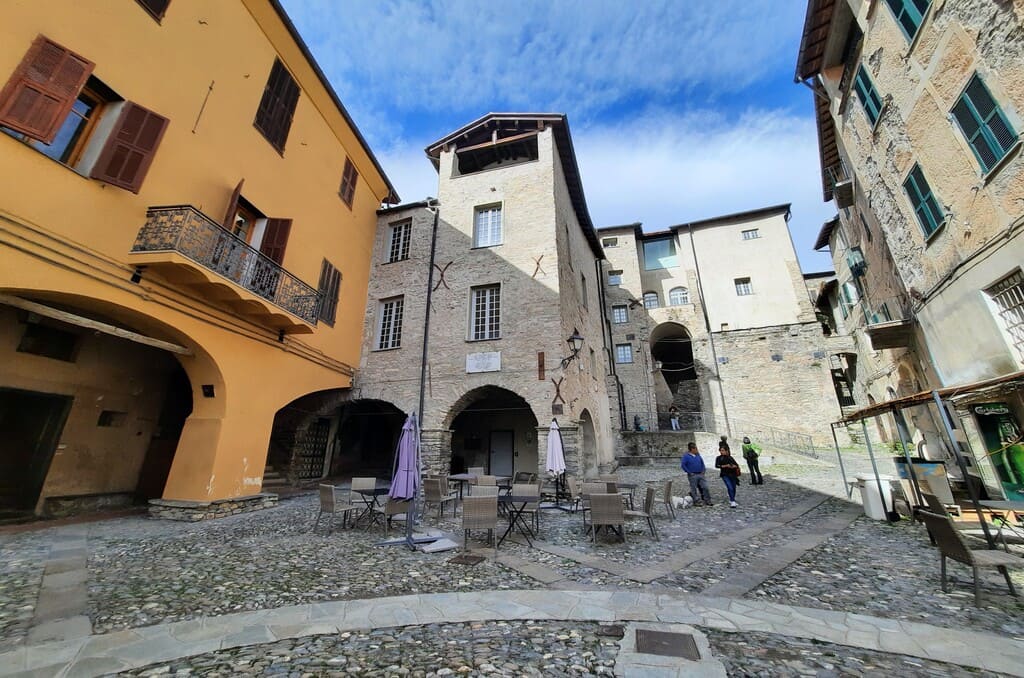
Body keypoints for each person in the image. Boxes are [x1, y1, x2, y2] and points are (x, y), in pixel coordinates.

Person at [681, 442, 712, 506]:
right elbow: (683, 465)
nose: (697, 450)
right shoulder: (686, 456)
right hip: (693, 475)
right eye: (695, 448)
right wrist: (689, 472)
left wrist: (703, 470)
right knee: (693, 488)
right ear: (692, 449)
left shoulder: (698, 455)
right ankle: (696, 501)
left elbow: (702, 463)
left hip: (700, 474)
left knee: (705, 487)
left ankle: (707, 500)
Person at [715, 443, 741, 508]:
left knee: (733, 488)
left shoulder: (730, 458)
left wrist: (733, 466)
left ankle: (732, 498)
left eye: (723, 450)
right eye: (721, 450)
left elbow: (736, 465)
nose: (721, 452)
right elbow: (717, 465)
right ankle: (732, 501)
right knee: (730, 487)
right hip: (725, 474)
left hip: (733, 474)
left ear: (726, 451)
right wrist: (725, 466)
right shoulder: (719, 458)